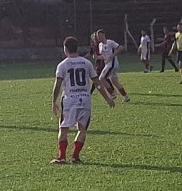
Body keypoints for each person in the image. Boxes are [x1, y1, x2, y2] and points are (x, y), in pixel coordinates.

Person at [50, 36, 115, 164]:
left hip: (69, 100)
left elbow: (57, 85)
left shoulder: (62, 65)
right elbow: (97, 83)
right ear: (77, 48)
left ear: (65, 49)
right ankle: (75, 156)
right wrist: (107, 98)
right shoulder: (86, 63)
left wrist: (54, 101)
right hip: (85, 100)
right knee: (82, 129)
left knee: (63, 129)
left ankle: (62, 156)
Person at [96, 29, 130, 102]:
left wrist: (112, 55)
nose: (99, 37)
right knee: (114, 81)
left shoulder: (110, 42)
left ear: (104, 35)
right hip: (108, 64)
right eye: (97, 36)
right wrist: (97, 57)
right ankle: (125, 96)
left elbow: (120, 48)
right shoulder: (100, 45)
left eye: (100, 36)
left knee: (101, 78)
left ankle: (112, 94)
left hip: (112, 64)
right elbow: (104, 56)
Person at [88, 32, 114, 96]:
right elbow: (91, 54)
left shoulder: (100, 44)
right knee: (103, 77)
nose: (95, 38)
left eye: (96, 37)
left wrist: (99, 57)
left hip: (102, 63)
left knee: (97, 77)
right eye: (94, 37)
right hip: (97, 63)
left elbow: (102, 53)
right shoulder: (94, 45)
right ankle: (112, 89)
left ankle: (91, 92)